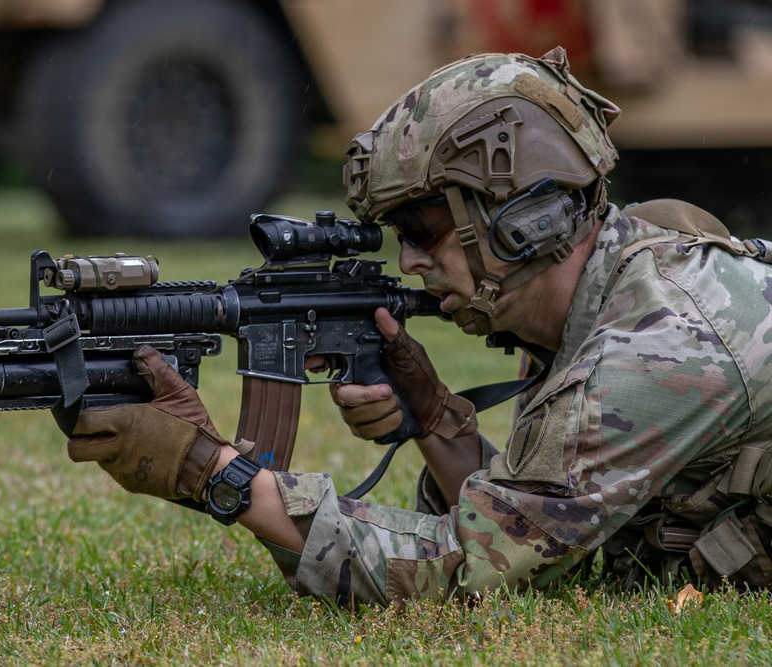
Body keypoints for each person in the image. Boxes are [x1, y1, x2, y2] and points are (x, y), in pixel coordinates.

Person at [65, 47, 772, 606]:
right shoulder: (600, 301)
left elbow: (466, 568)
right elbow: (538, 516)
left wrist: (214, 472)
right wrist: (438, 424)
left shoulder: (660, 342)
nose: (408, 260)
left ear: (521, 219)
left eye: (424, 228)